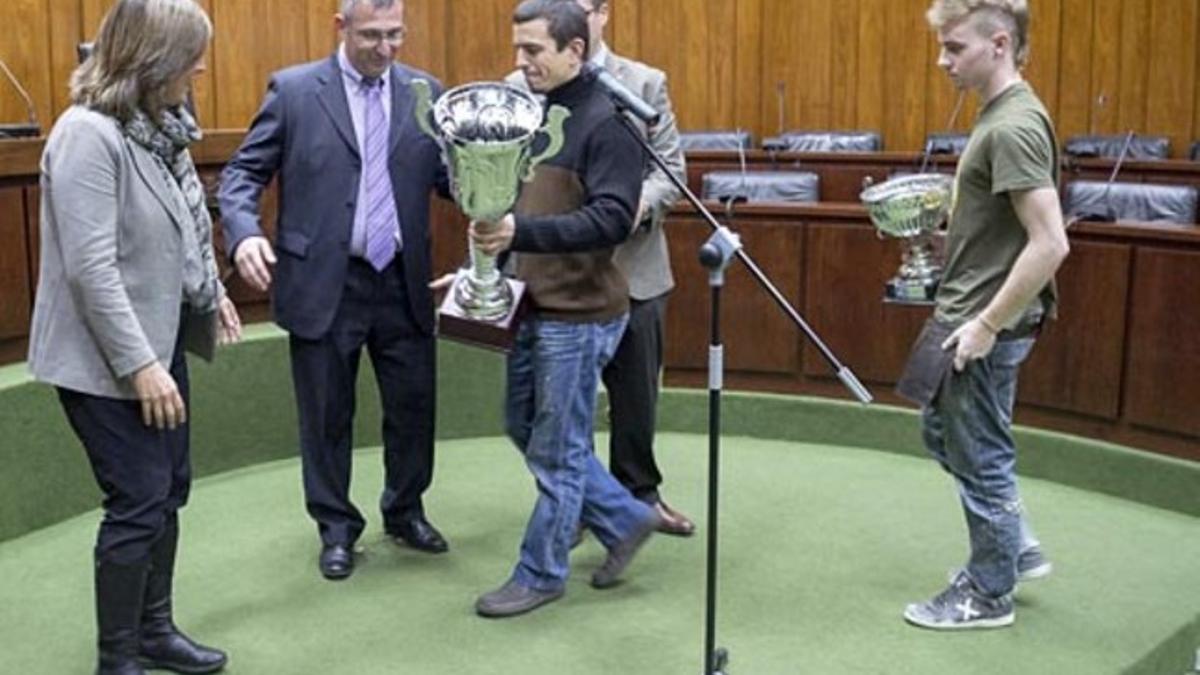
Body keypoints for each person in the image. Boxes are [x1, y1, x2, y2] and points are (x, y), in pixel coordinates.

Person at [27, 0, 240, 672]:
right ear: (151, 60)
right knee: (139, 499)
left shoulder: (157, 128)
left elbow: (176, 229)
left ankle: (155, 630)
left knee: (167, 490)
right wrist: (142, 364)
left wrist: (217, 293)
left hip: (158, 342)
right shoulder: (87, 134)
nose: (200, 68)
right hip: (107, 361)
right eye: (190, 55)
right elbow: (91, 270)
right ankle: (117, 656)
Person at [219, 0, 450, 581]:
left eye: (395, 34)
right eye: (371, 35)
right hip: (325, 281)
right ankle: (336, 529)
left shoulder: (426, 91)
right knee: (326, 415)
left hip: (401, 279)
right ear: (340, 27)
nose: (385, 47)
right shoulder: (295, 91)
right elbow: (243, 174)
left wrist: (492, 181)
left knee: (413, 408)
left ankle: (405, 510)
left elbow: (452, 177)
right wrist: (244, 234)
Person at [471, 0, 662, 618]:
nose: (519, 61)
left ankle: (541, 572)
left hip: (582, 314)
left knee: (557, 448)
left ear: (575, 50)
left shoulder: (611, 122)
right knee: (523, 425)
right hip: (533, 303)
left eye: (533, 50)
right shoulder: (530, 112)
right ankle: (626, 516)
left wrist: (518, 234)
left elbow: (610, 218)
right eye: (518, 47)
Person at [899, 0, 1070, 630]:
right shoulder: (1001, 114)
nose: (942, 61)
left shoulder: (1012, 127)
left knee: (980, 454)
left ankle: (990, 590)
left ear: (1000, 44)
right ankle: (1013, 546)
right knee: (943, 433)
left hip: (981, 324)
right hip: (966, 309)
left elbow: (1051, 243)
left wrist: (988, 324)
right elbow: (1008, 227)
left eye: (955, 48)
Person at [505, 0, 694, 536]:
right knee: (559, 410)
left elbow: (671, 172)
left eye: (581, 5)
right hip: (552, 277)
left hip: (633, 270)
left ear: (601, 15)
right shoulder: (519, 83)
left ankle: (639, 498)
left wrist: (623, 205)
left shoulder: (643, 83)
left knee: (635, 404)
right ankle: (589, 509)